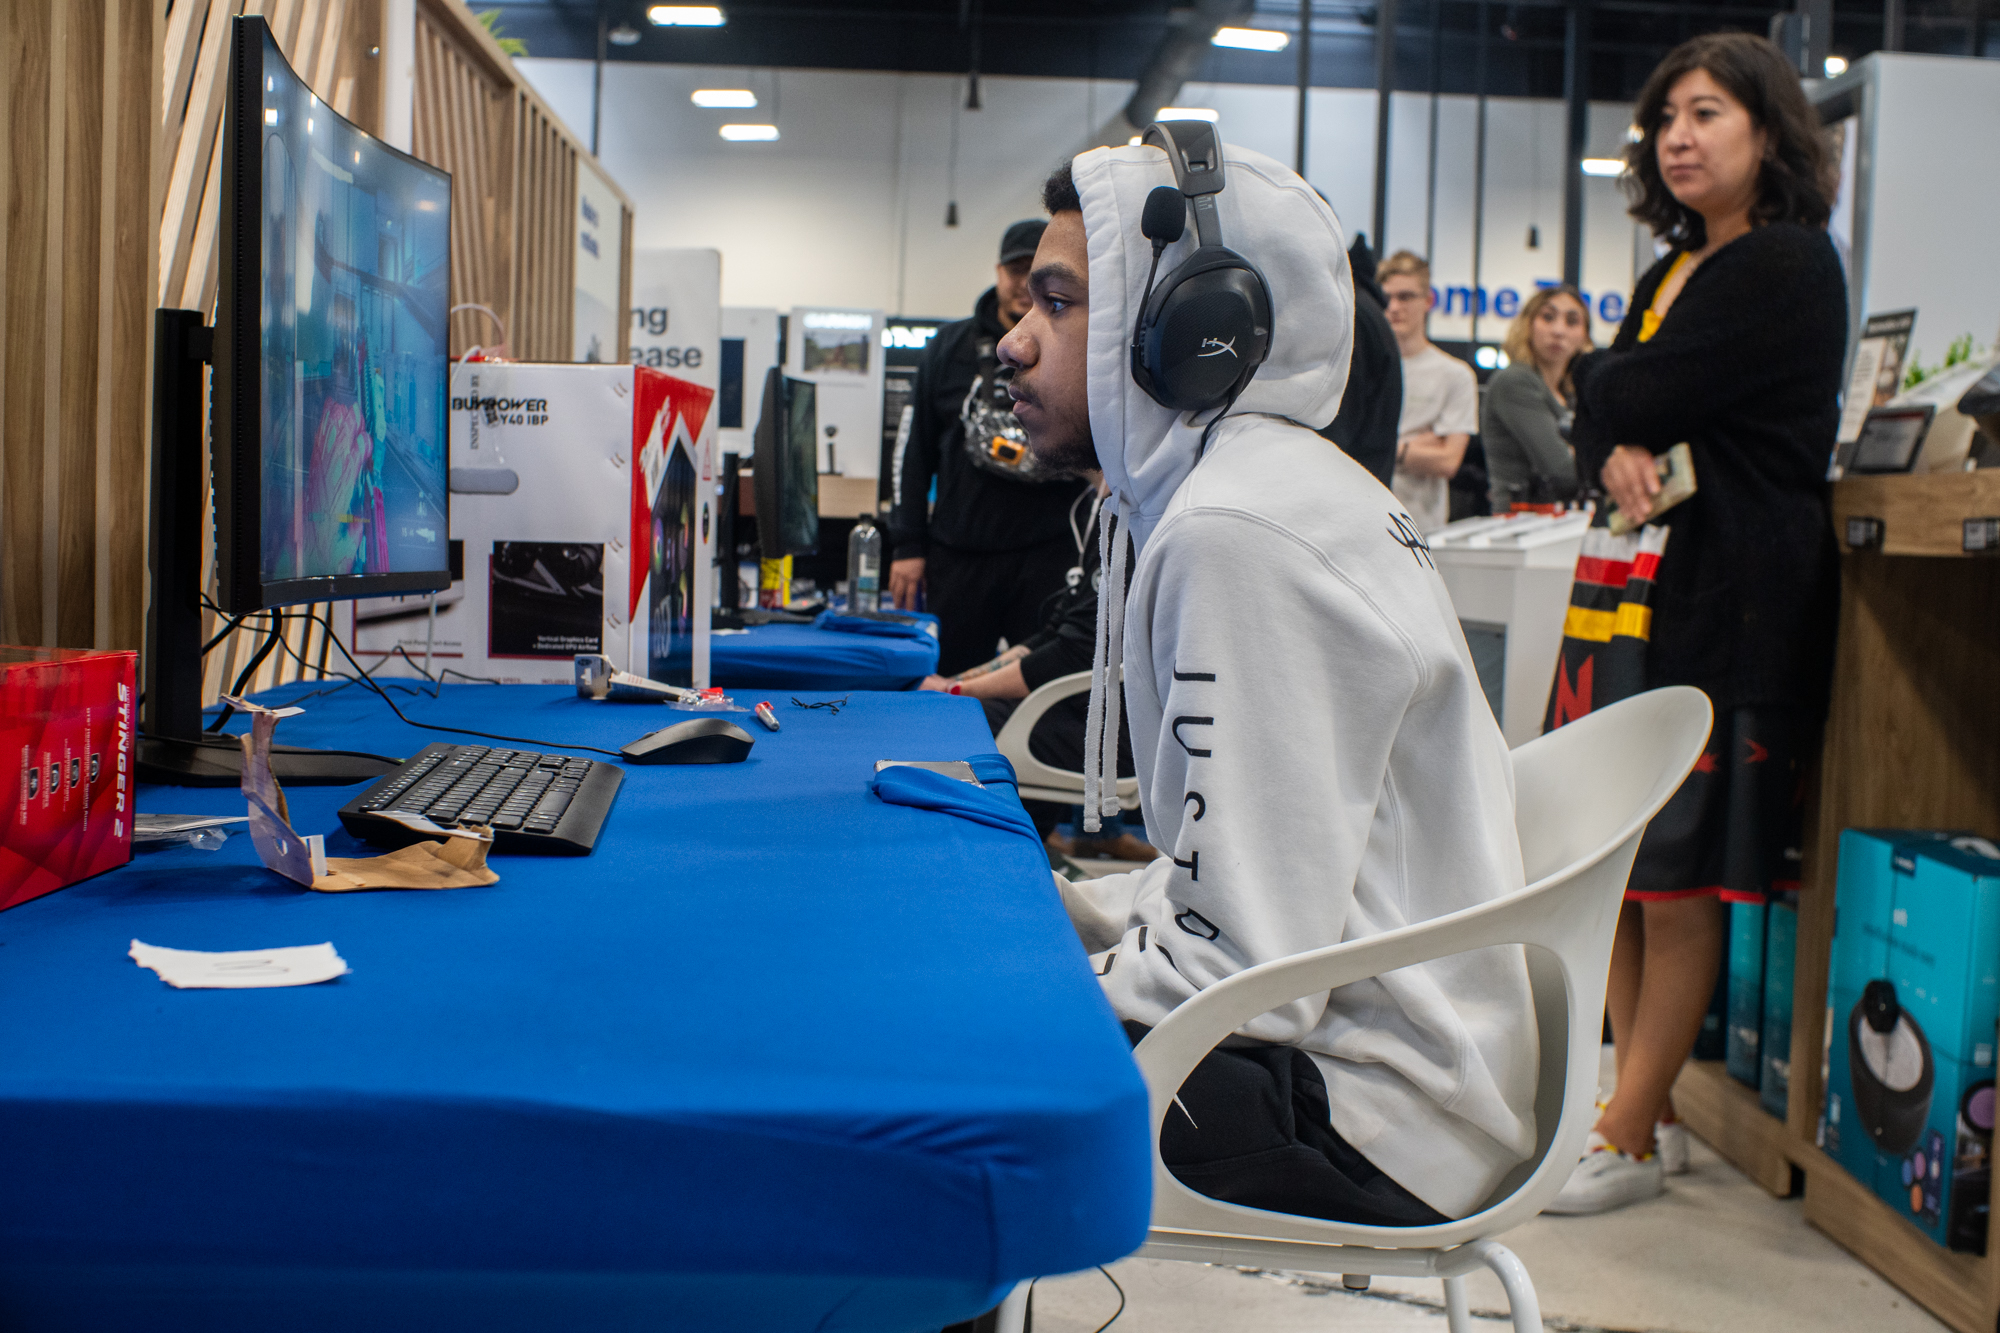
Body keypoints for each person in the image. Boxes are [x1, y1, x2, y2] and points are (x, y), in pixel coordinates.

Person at [997, 140, 1536, 1229]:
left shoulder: (1236, 531)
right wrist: (1067, 915)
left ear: (1192, 330)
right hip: (1392, 1066)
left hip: (1372, 1113)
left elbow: (1254, 971)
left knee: (927, 1059)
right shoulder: (1267, 492)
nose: (1012, 341)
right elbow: (1247, 885)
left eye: (1057, 304)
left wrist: (1016, 975)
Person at [1543, 32, 1846, 1216]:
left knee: (1672, 877)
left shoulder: (1780, 263)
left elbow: (1624, 386)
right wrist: (1607, 418)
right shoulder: (1676, 264)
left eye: (1706, 112)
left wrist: (1612, 404)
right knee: (1614, 862)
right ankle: (1644, 1105)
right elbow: (1600, 404)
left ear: (1767, 131)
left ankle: (1623, 1133)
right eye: (1664, 115)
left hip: (1727, 605)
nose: (1676, 135)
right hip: (1642, 593)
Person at [916, 477, 1157, 864]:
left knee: (942, 722)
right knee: (941, 705)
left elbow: (1072, 652)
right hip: (1081, 713)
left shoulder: (1134, 513)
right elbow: (1051, 635)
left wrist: (954, 693)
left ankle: (987, 865)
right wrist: (955, 682)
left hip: (1114, 740)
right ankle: (1022, 853)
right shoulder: (1102, 506)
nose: (1018, 412)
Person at [888, 220, 1091, 675]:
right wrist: (907, 546)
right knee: (947, 677)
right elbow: (911, 449)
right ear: (998, 272)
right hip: (961, 553)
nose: (1024, 284)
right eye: (1015, 271)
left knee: (1041, 682)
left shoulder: (1076, 341)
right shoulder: (949, 347)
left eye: (1036, 272)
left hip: (1051, 549)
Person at [1378, 250, 1479, 533]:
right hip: (1363, 518)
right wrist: (1415, 446)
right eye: (1387, 298)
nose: (1394, 307)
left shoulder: (1455, 375)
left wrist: (1384, 447)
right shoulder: (1364, 369)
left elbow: (1448, 461)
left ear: (1429, 300)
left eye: (1406, 297)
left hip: (1421, 530)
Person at [1483, 284, 1593, 510]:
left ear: (1584, 336)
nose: (1558, 330)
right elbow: (1563, 471)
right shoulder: (1515, 381)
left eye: (1572, 321)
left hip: (1559, 522)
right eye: (1548, 317)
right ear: (1528, 325)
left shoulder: (1571, 393)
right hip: (1519, 527)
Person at [1319, 235, 1401, 487]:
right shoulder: (1357, 306)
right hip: (1357, 497)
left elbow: (1332, 433)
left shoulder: (1349, 313)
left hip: (1341, 497)